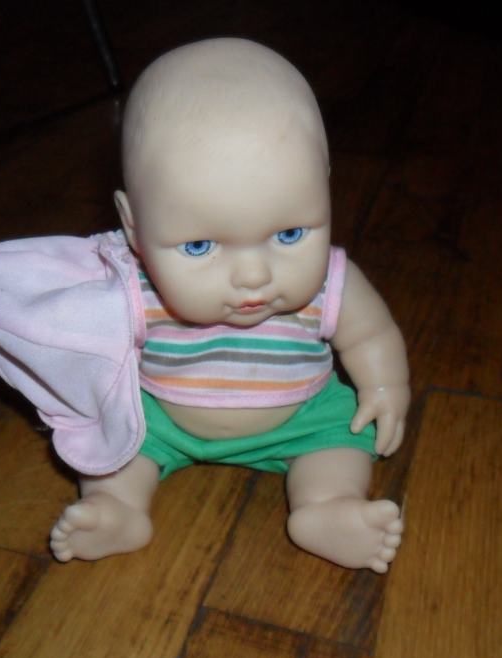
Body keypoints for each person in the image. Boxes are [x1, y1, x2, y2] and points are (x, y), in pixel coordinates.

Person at [45, 38, 411, 572]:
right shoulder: (131, 287)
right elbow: (87, 351)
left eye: (289, 234)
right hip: (161, 418)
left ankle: (328, 506)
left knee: (341, 443)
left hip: (301, 417)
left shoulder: (332, 281)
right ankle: (116, 507)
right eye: (199, 246)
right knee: (114, 445)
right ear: (133, 227)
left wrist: (383, 387)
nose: (253, 276)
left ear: (325, 188)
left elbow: (370, 334)